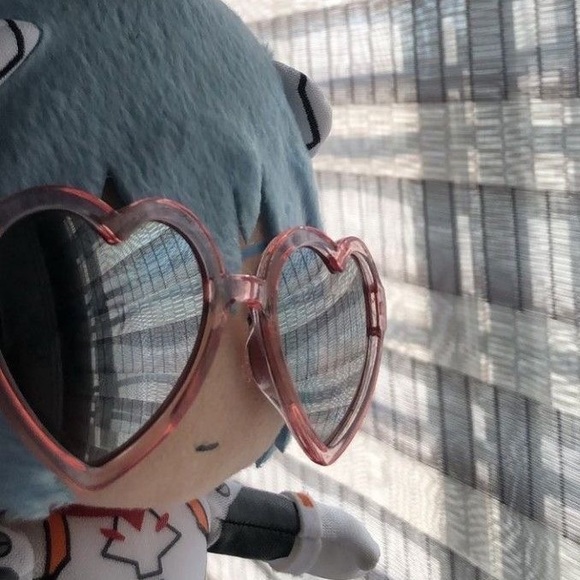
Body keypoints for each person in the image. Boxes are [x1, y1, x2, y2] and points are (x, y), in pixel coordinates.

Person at [0, 1, 386, 578]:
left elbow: (258, 526)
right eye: (145, 287)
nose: (233, 380)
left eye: (286, 298)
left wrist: (311, 537)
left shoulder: (197, 504)